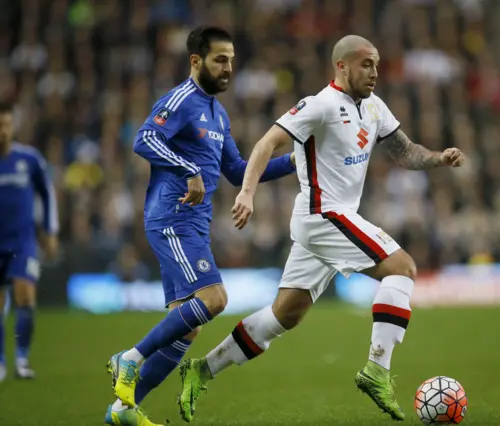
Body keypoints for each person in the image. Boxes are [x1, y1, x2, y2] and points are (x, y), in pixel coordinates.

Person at [176, 34, 464, 422]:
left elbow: (405, 150)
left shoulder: (375, 107)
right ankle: (377, 369)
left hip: (327, 221)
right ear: (341, 66)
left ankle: (201, 369)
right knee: (403, 268)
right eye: (366, 64)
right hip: (324, 214)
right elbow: (265, 144)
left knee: (284, 315)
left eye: (377, 64)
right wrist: (246, 193)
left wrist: (438, 159)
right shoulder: (320, 105)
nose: (375, 72)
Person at [105, 26, 296, 426]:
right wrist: (188, 168)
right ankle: (130, 358)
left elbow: (238, 171)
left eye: (231, 60)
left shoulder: (217, 113)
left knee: (186, 330)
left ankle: (123, 410)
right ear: (196, 61)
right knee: (214, 300)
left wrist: (297, 162)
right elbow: (144, 139)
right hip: (172, 216)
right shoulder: (182, 99)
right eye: (219, 60)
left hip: (194, 222)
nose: (228, 68)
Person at [0, 102, 59, 382]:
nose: (3, 131)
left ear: (13, 127)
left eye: (6, 125)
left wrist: (49, 231)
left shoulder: (29, 159)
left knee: (25, 294)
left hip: (22, 242)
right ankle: (0, 362)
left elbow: (47, 194)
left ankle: (21, 359)